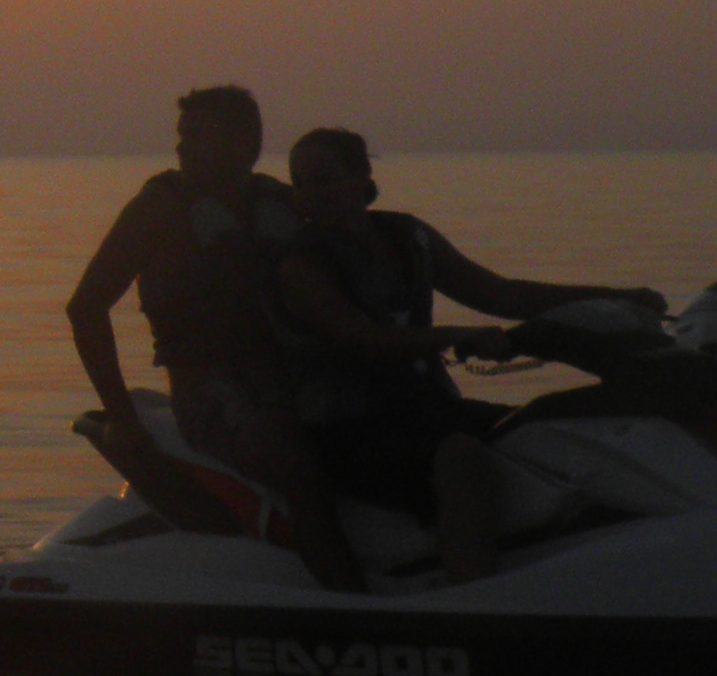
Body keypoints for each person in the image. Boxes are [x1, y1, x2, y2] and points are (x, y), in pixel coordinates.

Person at [275, 128, 666, 586]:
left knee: (548, 425)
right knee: (460, 454)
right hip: (351, 427)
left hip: (427, 409)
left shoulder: (409, 236)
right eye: (300, 183)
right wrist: (458, 334)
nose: (309, 194)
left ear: (362, 177)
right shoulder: (301, 264)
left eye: (323, 180)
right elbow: (361, 337)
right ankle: (472, 591)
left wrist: (617, 297)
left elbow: (502, 294)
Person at [65, 85, 347, 582]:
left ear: (245, 143)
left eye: (196, 134)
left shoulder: (281, 204)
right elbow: (86, 308)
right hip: (209, 396)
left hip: (293, 380)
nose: (181, 147)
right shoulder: (158, 208)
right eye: (182, 135)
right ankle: (348, 600)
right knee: (298, 465)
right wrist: (122, 418)